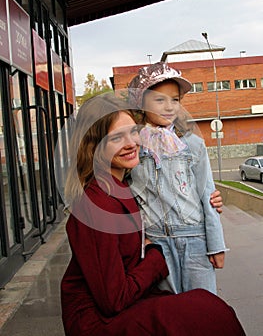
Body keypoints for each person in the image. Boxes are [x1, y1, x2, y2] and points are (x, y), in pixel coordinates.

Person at [60, 93, 245, 336]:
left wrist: (206, 202)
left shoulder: (121, 185)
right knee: (208, 312)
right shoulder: (95, 206)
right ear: (94, 147)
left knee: (208, 306)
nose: (131, 143)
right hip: (97, 320)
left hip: (130, 300)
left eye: (133, 132)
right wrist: (156, 256)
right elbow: (113, 299)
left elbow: (166, 190)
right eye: (116, 137)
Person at [128, 62, 228, 295]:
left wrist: (216, 245)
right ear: (141, 103)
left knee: (202, 307)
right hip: (155, 243)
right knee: (167, 310)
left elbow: (208, 195)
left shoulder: (192, 144)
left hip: (194, 239)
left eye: (175, 100)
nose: (169, 106)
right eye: (160, 100)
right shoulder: (131, 146)